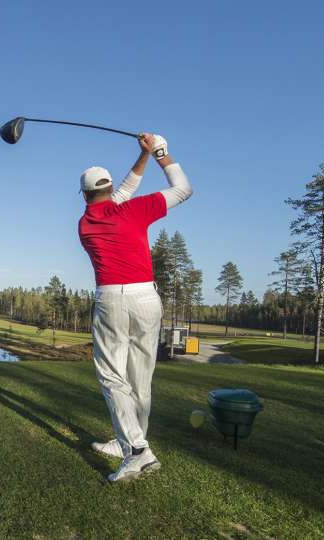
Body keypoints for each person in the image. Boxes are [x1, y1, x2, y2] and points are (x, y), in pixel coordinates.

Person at [78, 133, 192, 482]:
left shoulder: (86, 224)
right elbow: (183, 189)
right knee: (140, 379)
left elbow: (118, 195)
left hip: (112, 300)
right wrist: (158, 153)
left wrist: (142, 157)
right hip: (147, 298)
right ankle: (129, 441)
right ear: (111, 189)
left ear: (85, 195)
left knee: (113, 376)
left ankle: (138, 451)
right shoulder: (134, 209)